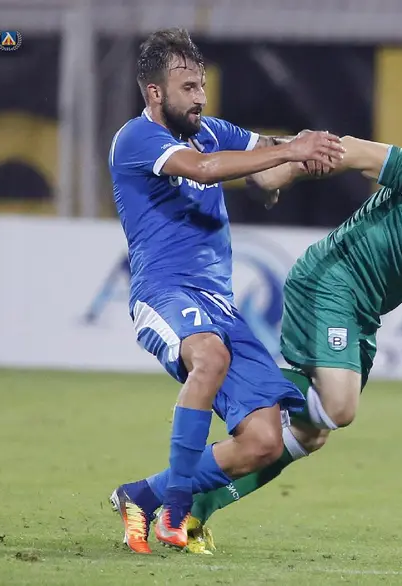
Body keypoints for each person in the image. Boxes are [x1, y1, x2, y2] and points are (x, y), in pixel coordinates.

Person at [182, 137, 402, 554]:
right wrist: (282, 169)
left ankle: (195, 506)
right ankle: (234, 377)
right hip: (331, 279)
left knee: (312, 434)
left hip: (366, 312)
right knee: (339, 407)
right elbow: (351, 151)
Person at [107, 28, 345, 554]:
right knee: (209, 357)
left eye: (202, 86)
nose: (200, 97)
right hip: (164, 292)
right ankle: (175, 513)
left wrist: (308, 157)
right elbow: (206, 170)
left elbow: (267, 166)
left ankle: (141, 496)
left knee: (263, 441)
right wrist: (290, 148)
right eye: (188, 88)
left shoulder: (212, 131)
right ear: (155, 92)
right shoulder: (137, 139)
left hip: (221, 305)